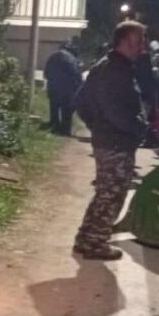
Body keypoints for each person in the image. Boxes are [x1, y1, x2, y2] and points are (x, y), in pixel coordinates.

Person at [73, 21, 148, 260]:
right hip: (116, 142)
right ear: (125, 41)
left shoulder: (108, 66)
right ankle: (95, 244)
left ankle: (86, 238)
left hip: (109, 140)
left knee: (105, 193)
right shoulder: (115, 71)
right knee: (112, 195)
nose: (142, 47)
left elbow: (81, 102)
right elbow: (114, 111)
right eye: (139, 41)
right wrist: (137, 129)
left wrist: (97, 126)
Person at [44, 43, 83, 135]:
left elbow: (46, 73)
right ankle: (65, 130)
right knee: (67, 110)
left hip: (54, 86)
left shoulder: (53, 56)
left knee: (54, 108)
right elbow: (77, 77)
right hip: (68, 88)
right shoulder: (73, 59)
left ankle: (54, 125)